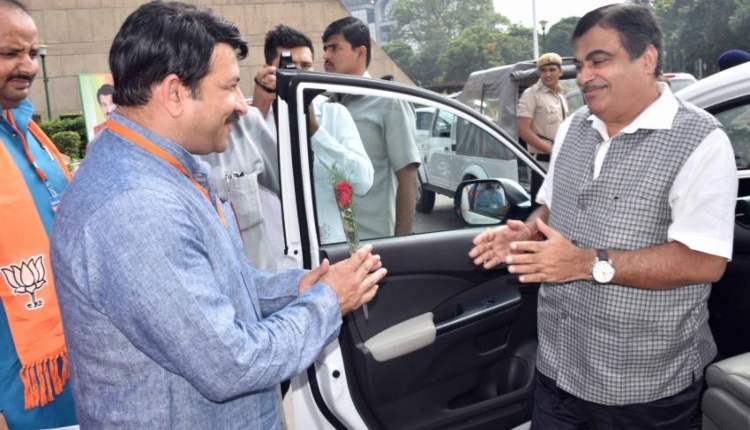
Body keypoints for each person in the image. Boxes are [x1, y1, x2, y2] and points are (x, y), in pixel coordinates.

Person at [50, 2, 386, 428]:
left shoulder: (168, 170)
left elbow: (221, 286)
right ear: (174, 93)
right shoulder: (135, 207)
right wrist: (328, 302)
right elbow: (233, 364)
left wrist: (297, 287)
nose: (242, 105)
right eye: (229, 87)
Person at [469, 4, 737, 429]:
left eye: (600, 60)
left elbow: (704, 261)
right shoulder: (576, 126)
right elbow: (552, 209)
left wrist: (586, 263)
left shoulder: (700, 141)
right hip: (559, 369)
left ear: (646, 59)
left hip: (647, 388)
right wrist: (525, 237)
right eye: (580, 63)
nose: (585, 75)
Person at [200, 24, 372, 272]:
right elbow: (229, 167)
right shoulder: (243, 118)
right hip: (270, 263)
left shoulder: (334, 114)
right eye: (289, 67)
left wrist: (316, 131)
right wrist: (258, 107)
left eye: (306, 67)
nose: (299, 75)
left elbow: (363, 181)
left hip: (329, 252)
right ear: (269, 69)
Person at [0, 1, 78, 429]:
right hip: (13, 386)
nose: (27, 66)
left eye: (32, 53)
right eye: (10, 54)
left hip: (68, 369)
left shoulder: (29, 132)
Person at [322, 17, 420, 239]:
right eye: (325, 49)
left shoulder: (389, 101)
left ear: (360, 52)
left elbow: (408, 178)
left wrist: (402, 245)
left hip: (374, 243)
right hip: (331, 243)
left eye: (335, 48)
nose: (326, 56)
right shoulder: (326, 105)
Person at [517, 52, 568, 167]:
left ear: (560, 72)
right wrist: (551, 150)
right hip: (541, 161)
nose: (547, 74)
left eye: (552, 70)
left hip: (561, 159)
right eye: (543, 70)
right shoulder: (531, 94)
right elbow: (523, 130)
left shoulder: (561, 95)